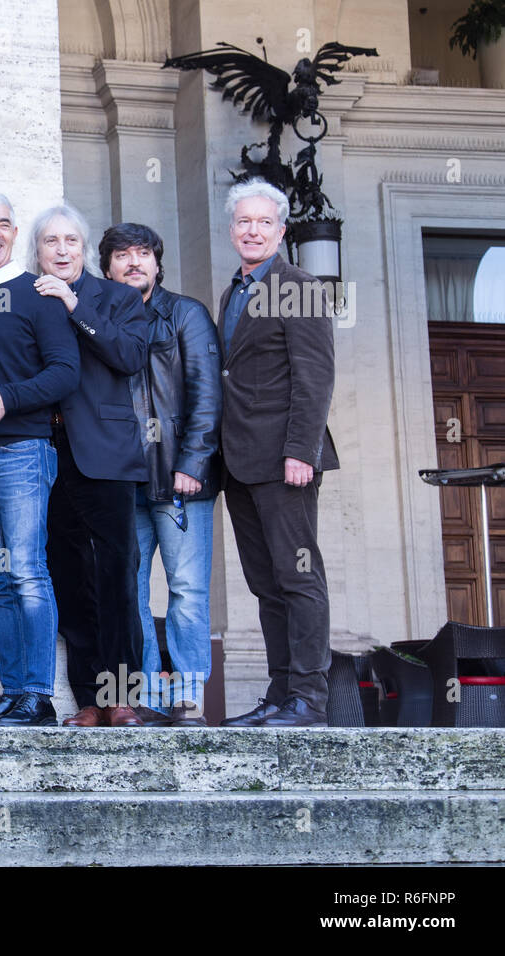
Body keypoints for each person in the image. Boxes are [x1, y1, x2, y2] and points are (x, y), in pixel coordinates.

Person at [0, 193, 80, 728]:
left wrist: (7, 397)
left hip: (23, 452)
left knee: (27, 572)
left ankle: (38, 697)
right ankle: (12, 695)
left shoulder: (37, 294)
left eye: (5, 224)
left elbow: (65, 372)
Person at [216, 179, 339, 728]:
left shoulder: (300, 285)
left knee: (298, 577)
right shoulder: (234, 292)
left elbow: (315, 376)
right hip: (240, 461)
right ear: (232, 228)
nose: (253, 230)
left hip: (286, 459)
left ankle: (310, 699)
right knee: (265, 584)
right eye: (244, 221)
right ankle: (280, 693)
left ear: (282, 231)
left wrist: (300, 451)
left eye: (264, 222)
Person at [29, 204, 150, 729]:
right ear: (37, 252)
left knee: (117, 576)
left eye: (70, 241)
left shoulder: (118, 298)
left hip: (105, 455)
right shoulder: (24, 299)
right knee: (69, 577)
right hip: (46, 456)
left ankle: (122, 696)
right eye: (51, 242)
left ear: (83, 250)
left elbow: (129, 356)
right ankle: (89, 700)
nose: (61, 250)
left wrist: (75, 305)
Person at [101, 223, 222, 727]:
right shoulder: (101, 318)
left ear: (157, 262)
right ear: (106, 266)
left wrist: (192, 463)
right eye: (123, 255)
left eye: (144, 254)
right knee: (128, 591)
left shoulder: (186, 314)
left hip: (178, 482)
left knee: (187, 590)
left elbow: (207, 392)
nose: (134, 263)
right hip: (122, 480)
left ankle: (189, 696)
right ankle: (147, 696)